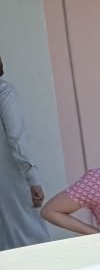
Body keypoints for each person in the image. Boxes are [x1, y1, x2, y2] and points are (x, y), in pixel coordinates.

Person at [0, 55, 51, 251]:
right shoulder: (4, 91)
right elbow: (16, 137)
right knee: (28, 239)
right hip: (10, 179)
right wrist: (33, 177)